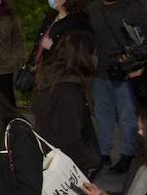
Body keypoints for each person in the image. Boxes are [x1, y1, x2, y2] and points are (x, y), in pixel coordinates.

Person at [89, 0, 147, 174]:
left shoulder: (132, 8)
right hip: (100, 71)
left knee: (127, 115)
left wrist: (136, 61)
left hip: (125, 71)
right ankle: (104, 153)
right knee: (102, 114)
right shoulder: (93, 9)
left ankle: (127, 154)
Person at [33, 31, 102, 176]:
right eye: (94, 54)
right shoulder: (68, 91)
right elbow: (68, 137)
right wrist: (91, 161)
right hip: (67, 167)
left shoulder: (55, 82)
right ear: (82, 57)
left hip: (57, 160)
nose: (96, 58)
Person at [28, 0, 92, 81]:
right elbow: (39, 41)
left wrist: (52, 47)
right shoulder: (52, 16)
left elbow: (78, 54)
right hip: (41, 74)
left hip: (62, 78)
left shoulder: (79, 24)